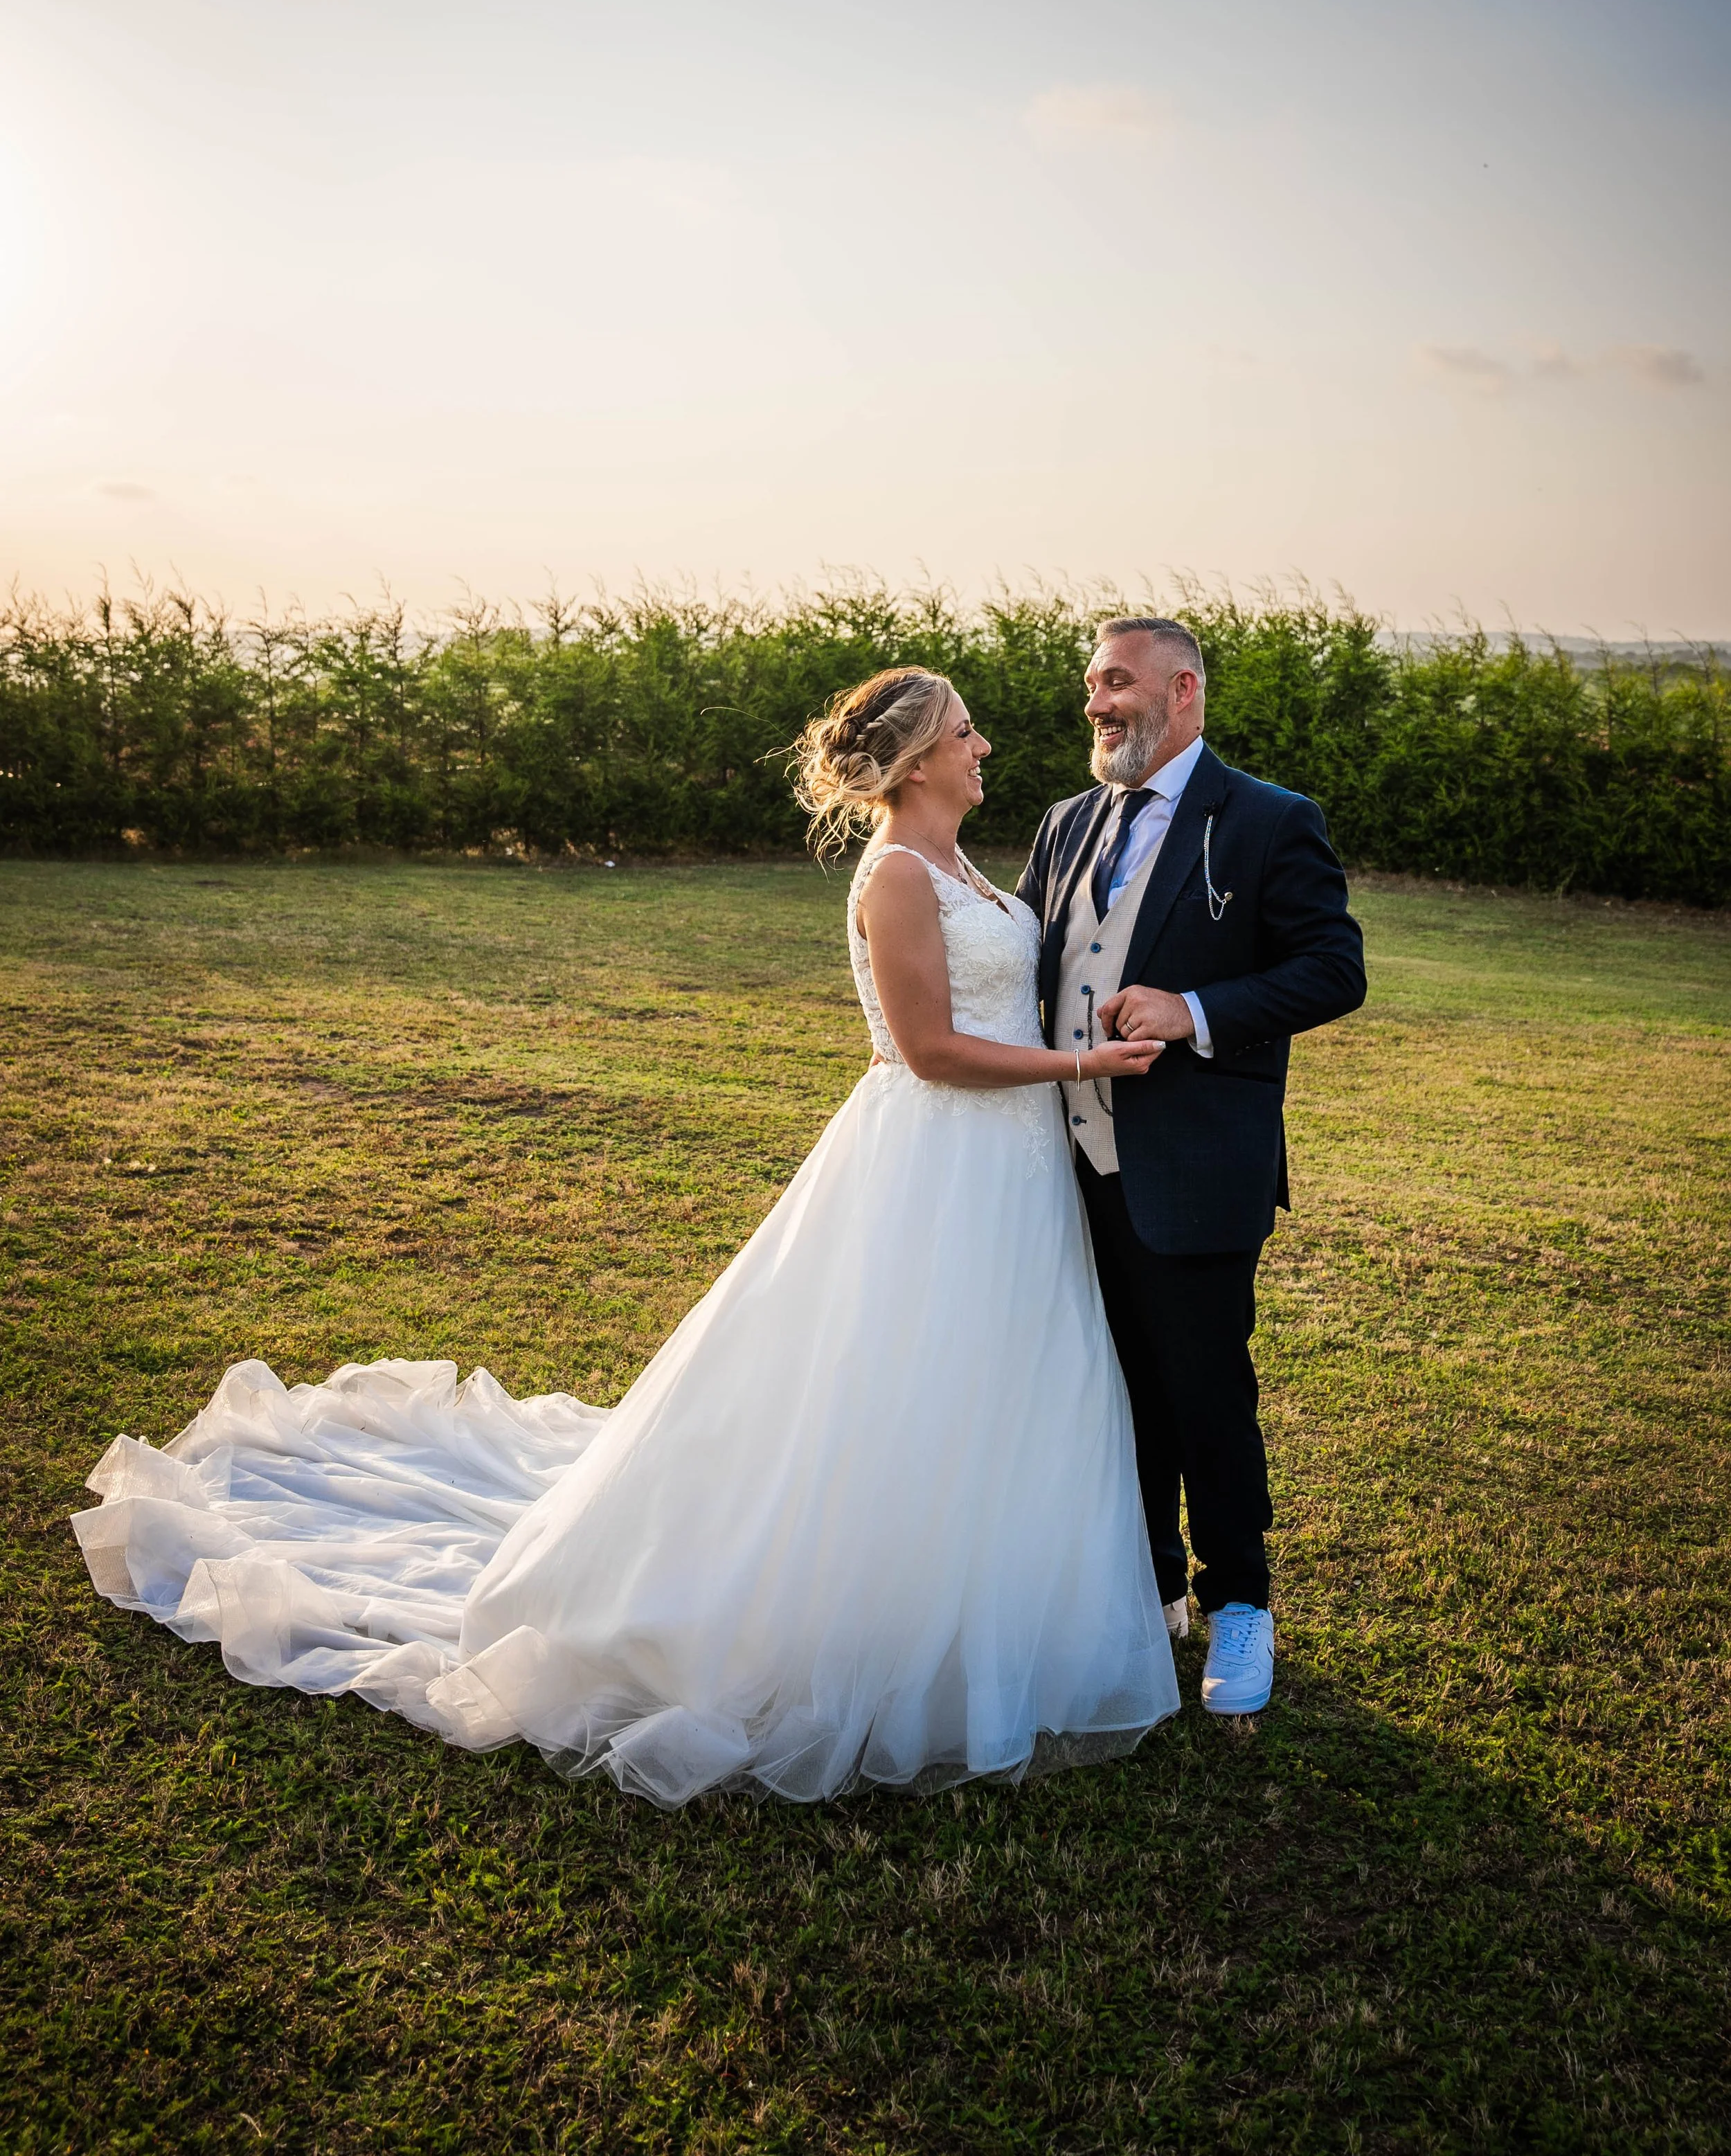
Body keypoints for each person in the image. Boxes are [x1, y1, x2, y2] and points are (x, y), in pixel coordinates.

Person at [74, 667, 1181, 1807]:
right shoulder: (897, 874)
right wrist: (1080, 1065)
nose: (982, 742)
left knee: (993, 1380)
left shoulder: (964, 865)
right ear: (914, 762)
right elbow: (930, 1049)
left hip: (1011, 1169)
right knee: (891, 1384)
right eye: (963, 732)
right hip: (936, 1160)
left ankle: (983, 1595)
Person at [1017, 618, 1367, 1717]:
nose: (1096, 704)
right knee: (1113, 1385)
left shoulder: (1267, 819)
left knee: (1207, 1388)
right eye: (1090, 685)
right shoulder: (1066, 821)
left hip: (1195, 1164)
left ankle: (1242, 1604)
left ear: (1183, 691)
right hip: (1066, 1159)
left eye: (1115, 682)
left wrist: (1198, 1010)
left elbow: (1333, 969)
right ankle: (1153, 1585)